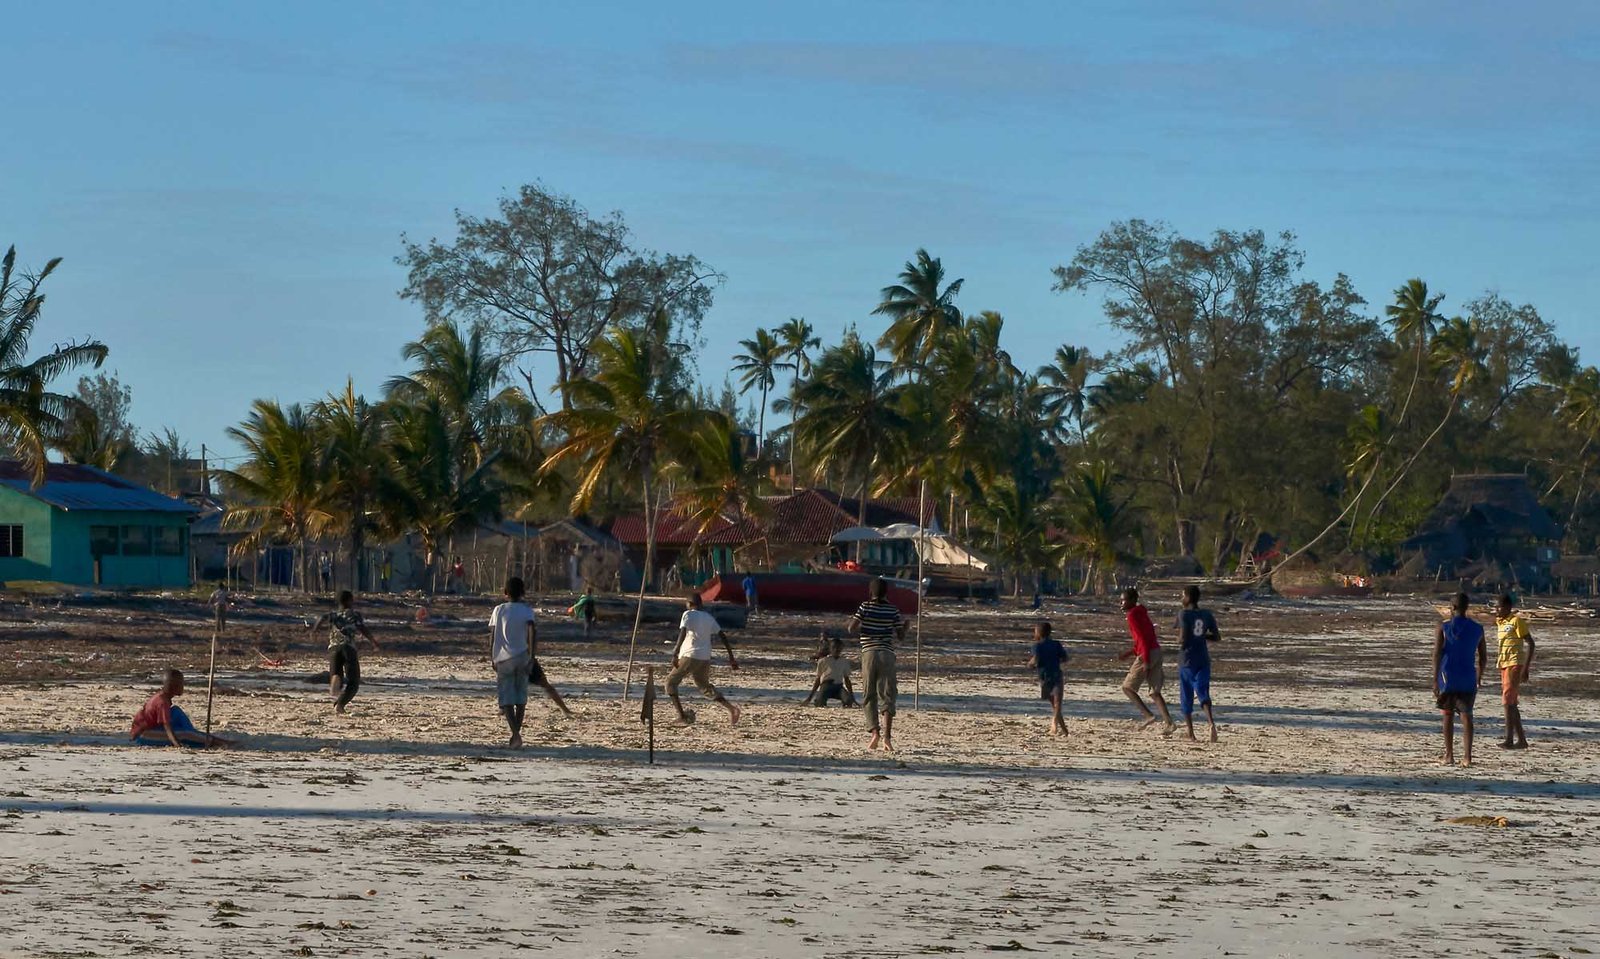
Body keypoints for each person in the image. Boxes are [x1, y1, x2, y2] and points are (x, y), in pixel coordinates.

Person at [490, 576, 571, 748]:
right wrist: (532, 657)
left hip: (503, 658)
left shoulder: (499, 610)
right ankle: (516, 736)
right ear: (523, 593)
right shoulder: (527, 611)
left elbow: (493, 634)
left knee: (506, 701)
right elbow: (532, 633)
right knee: (520, 700)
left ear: (505, 593)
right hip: (522, 656)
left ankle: (516, 735)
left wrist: (492, 656)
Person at [848, 577, 907, 750]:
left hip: (869, 653)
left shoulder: (865, 606)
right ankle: (887, 738)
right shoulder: (893, 609)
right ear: (886, 592)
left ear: (870, 591)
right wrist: (906, 628)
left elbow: (851, 628)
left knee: (869, 694)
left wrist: (864, 627)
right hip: (887, 654)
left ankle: (875, 733)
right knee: (888, 695)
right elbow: (900, 636)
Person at [667, 594, 742, 725]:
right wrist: (731, 658)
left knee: (670, 683)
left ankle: (682, 716)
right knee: (704, 686)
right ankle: (732, 709)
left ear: (690, 604)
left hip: (690, 655)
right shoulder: (708, 617)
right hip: (705, 657)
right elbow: (722, 636)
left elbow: (682, 632)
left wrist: (675, 652)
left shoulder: (688, 614)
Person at [1434, 592, 1487, 766]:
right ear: (1466, 608)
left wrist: (1435, 679)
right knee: (1466, 716)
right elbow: (1483, 657)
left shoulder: (1443, 627)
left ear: (1453, 607)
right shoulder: (1478, 629)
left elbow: (1437, 653)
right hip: (1467, 677)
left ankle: (1449, 755)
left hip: (1447, 676)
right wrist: (1479, 676)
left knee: (1447, 715)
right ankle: (1467, 757)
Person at [307, 590, 381, 713]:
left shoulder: (333, 615)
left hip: (333, 649)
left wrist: (314, 630)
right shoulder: (354, 615)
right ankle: (340, 705)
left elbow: (321, 617)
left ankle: (336, 679)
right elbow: (362, 628)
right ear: (350, 601)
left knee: (337, 675)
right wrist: (373, 641)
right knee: (354, 682)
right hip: (348, 648)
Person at [1117, 588, 1175, 733]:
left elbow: (1142, 639)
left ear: (1131, 601)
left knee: (1127, 687)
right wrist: (1129, 653)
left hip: (1147, 654)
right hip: (1155, 651)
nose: (1121, 603)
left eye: (1123, 600)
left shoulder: (1132, 615)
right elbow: (1146, 636)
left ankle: (1148, 715)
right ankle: (1169, 723)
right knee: (1154, 692)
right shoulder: (1142, 613)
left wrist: (1146, 661)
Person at [130, 669, 233, 748]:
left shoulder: (164, 697)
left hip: (154, 727)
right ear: (174, 686)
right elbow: (167, 727)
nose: (183, 686)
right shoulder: (162, 702)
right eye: (181, 684)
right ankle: (214, 742)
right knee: (184, 734)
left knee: (176, 711)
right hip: (144, 735)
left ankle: (198, 737)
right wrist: (177, 745)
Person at [1175, 585, 1222, 742]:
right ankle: (1210, 723)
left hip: (1187, 659)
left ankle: (1191, 733)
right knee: (1203, 692)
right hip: (1203, 659)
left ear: (1188, 597)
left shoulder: (1183, 614)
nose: (1181, 599)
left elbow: (1183, 638)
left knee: (1186, 695)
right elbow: (1216, 637)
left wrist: (1179, 642)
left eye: (1182, 595)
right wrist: (1201, 637)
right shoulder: (1207, 614)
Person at [1493, 593, 1536, 750]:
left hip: (1515, 664)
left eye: (1499, 606)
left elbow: (1531, 643)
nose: (1496, 609)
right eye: (1495, 606)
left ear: (1508, 607)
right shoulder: (1500, 623)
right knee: (1511, 703)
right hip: (1504, 664)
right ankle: (1522, 740)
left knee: (1507, 702)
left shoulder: (1516, 621)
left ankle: (1509, 739)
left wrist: (1526, 667)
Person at [1026, 621, 1068, 736]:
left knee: (1054, 704)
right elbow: (1065, 658)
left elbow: (1035, 659)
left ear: (1038, 633)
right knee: (1058, 703)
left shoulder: (1037, 646)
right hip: (1057, 674)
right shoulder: (1056, 644)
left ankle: (1055, 726)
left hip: (1044, 677)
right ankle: (1063, 729)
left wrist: (1029, 665)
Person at [805, 637, 856, 707]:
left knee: (848, 701)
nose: (836, 650)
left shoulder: (844, 662)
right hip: (826, 686)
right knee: (820, 703)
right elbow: (818, 679)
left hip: (838, 687)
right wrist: (810, 697)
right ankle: (819, 699)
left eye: (839, 648)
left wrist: (852, 696)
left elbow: (847, 679)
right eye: (834, 647)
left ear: (842, 648)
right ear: (830, 648)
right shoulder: (823, 661)